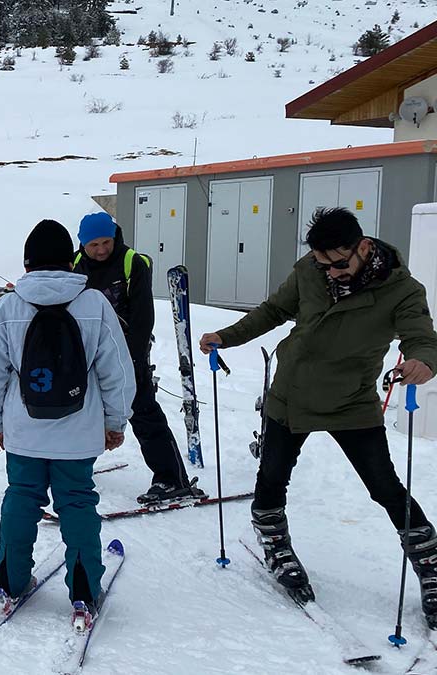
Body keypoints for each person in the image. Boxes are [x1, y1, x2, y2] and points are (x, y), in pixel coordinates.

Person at [200, 207, 437, 624]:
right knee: (272, 476)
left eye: (339, 263)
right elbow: (273, 310)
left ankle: (429, 561)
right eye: (323, 264)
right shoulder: (310, 271)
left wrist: (422, 361)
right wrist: (227, 336)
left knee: (385, 486)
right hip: (291, 394)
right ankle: (273, 540)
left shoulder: (401, 290)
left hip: (352, 401)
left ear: (364, 247)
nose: (331, 272)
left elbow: (421, 336)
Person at [0, 219, 135, 628]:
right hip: (78, 434)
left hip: (23, 433)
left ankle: (9, 584)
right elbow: (117, 369)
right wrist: (115, 420)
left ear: (27, 264)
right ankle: (83, 593)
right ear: (71, 260)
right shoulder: (94, 304)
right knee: (77, 503)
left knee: (21, 498)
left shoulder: (9, 307)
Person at [72, 212, 202, 505]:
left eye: (106, 242)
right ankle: (75, 468)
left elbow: (143, 318)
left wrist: (130, 360)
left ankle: (171, 479)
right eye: (94, 245)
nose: (101, 250)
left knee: (143, 414)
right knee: (84, 412)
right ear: (83, 245)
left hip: (128, 353)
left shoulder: (132, 263)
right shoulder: (76, 264)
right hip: (88, 354)